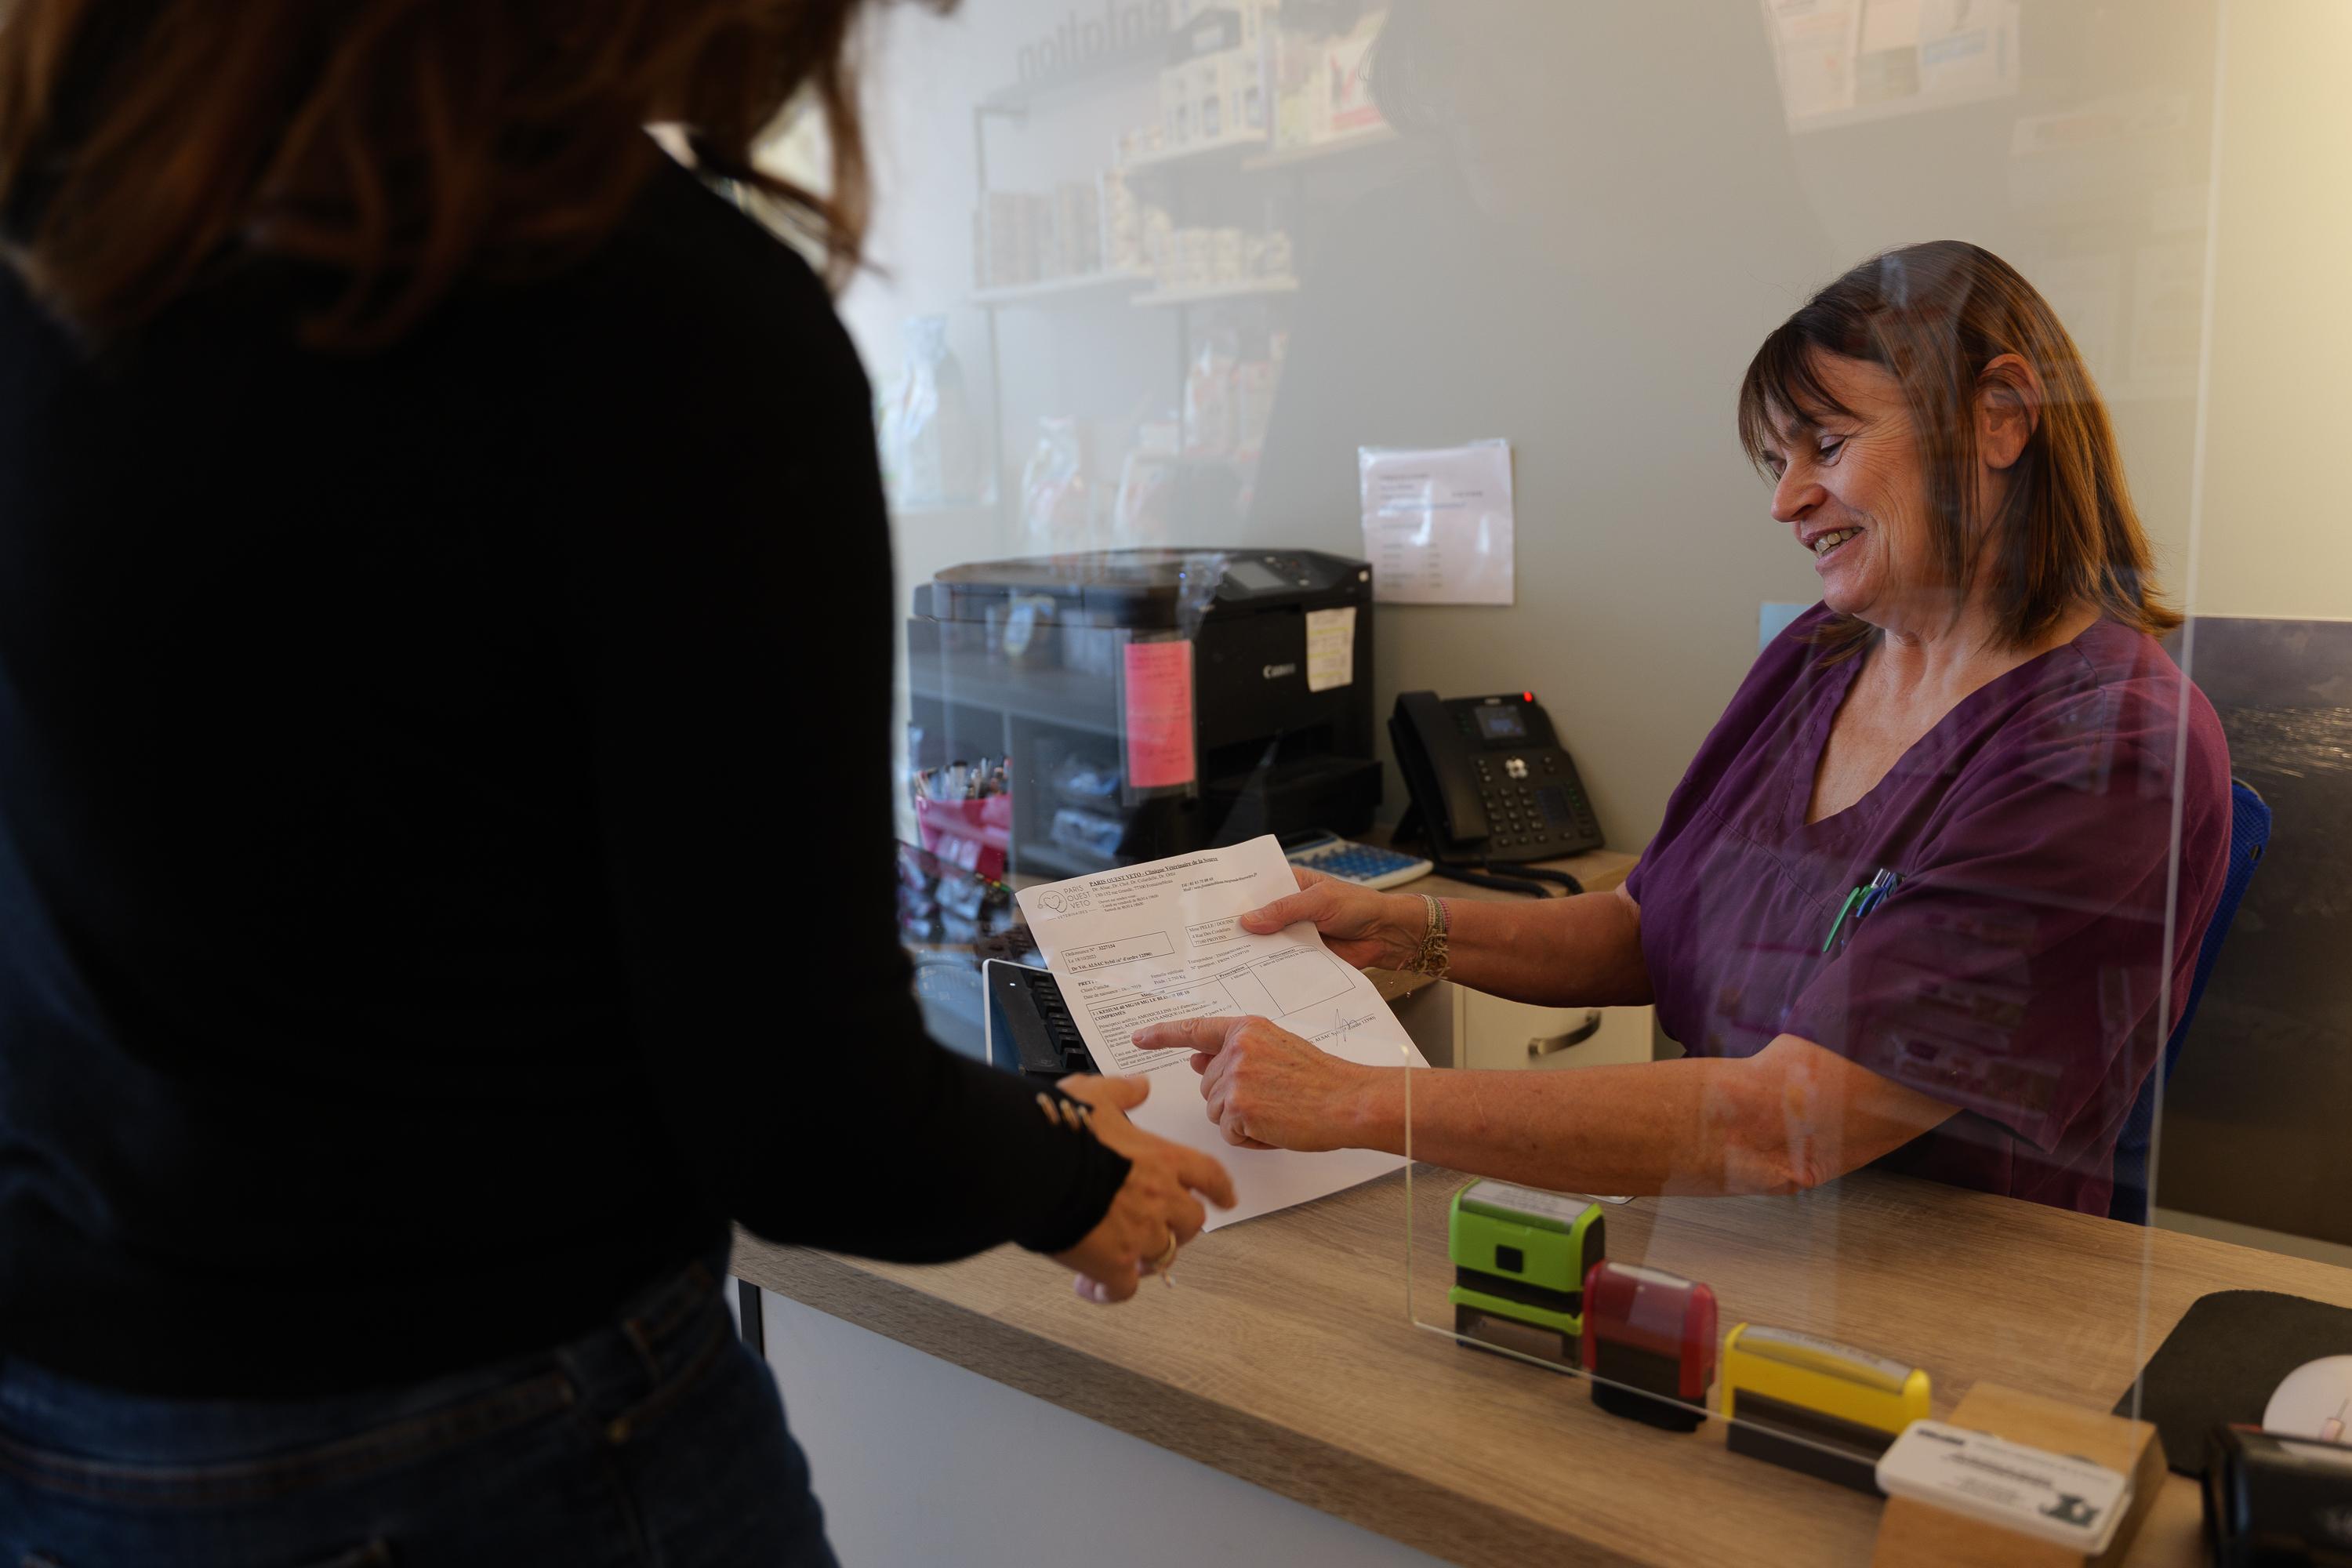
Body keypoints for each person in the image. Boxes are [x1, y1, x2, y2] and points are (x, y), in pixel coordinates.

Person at [0, 2, 1229, 1564]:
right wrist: (1064, 1170)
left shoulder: (75, 240)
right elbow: (800, 1118)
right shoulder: (658, 321)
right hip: (496, 1439)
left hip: (72, 1425)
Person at [1141, 241, 2229, 1218]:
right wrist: (1412, 928)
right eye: (1777, 463)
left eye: (1828, 445)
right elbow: (1650, 925)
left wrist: (1364, 1101)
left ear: (2000, 418)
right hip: (1725, 1236)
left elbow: (1782, 1124)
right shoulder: (1822, 653)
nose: (1786, 501)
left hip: (1936, 1306)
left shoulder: (2114, 748)